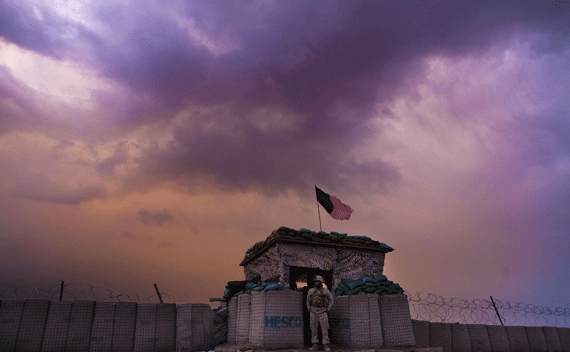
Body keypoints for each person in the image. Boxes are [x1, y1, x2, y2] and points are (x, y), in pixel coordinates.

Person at [306, 275, 334, 351]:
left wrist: (328, 309)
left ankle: (326, 344)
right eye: (315, 282)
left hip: (322, 311)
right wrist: (309, 309)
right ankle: (315, 344)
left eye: (317, 281)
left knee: (325, 328)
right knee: (313, 328)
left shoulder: (326, 291)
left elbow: (331, 300)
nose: (316, 283)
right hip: (313, 311)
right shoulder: (311, 291)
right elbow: (308, 301)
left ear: (321, 282)